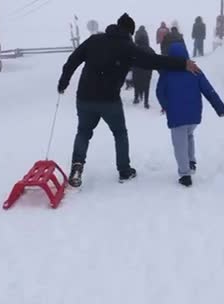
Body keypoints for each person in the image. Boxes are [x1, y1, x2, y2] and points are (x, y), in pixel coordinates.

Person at [58, 13, 201, 187]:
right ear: (130, 32)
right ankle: (124, 170)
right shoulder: (127, 47)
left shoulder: (94, 40)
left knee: (83, 132)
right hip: (109, 100)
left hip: (85, 97)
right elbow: (153, 61)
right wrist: (183, 63)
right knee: (119, 133)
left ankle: (77, 166)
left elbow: (74, 59)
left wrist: (64, 81)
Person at [156, 42, 224, 187]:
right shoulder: (195, 70)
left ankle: (185, 174)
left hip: (176, 116)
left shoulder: (166, 73)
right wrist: (219, 107)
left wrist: (165, 105)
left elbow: (159, 92)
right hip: (194, 115)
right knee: (189, 135)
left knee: (179, 144)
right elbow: (209, 90)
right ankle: (191, 161)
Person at [132, 40, 155, 108]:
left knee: (137, 84)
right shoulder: (150, 50)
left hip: (137, 70)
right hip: (147, 71)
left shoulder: (135, 49)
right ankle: (146, 102)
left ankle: (136, 98)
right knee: (146, 86)